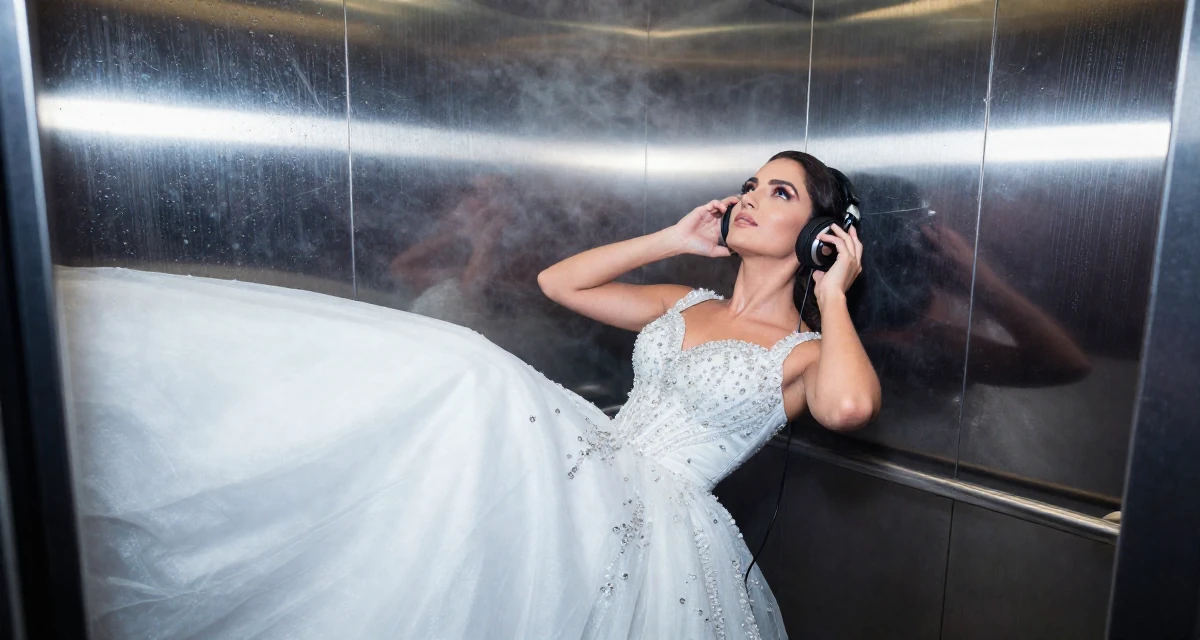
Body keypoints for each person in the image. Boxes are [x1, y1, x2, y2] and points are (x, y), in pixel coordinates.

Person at [58, 151, 880, 639]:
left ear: (818, 234)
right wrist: (671, 237)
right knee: (461, 378)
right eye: (751, 182)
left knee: (473, 371)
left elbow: (847, 409)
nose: (749, 198)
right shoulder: (682, 300)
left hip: (663, 517)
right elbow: (558, 282)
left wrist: (833, 291)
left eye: (781, 193)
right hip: (597, 462)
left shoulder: (806, 354)